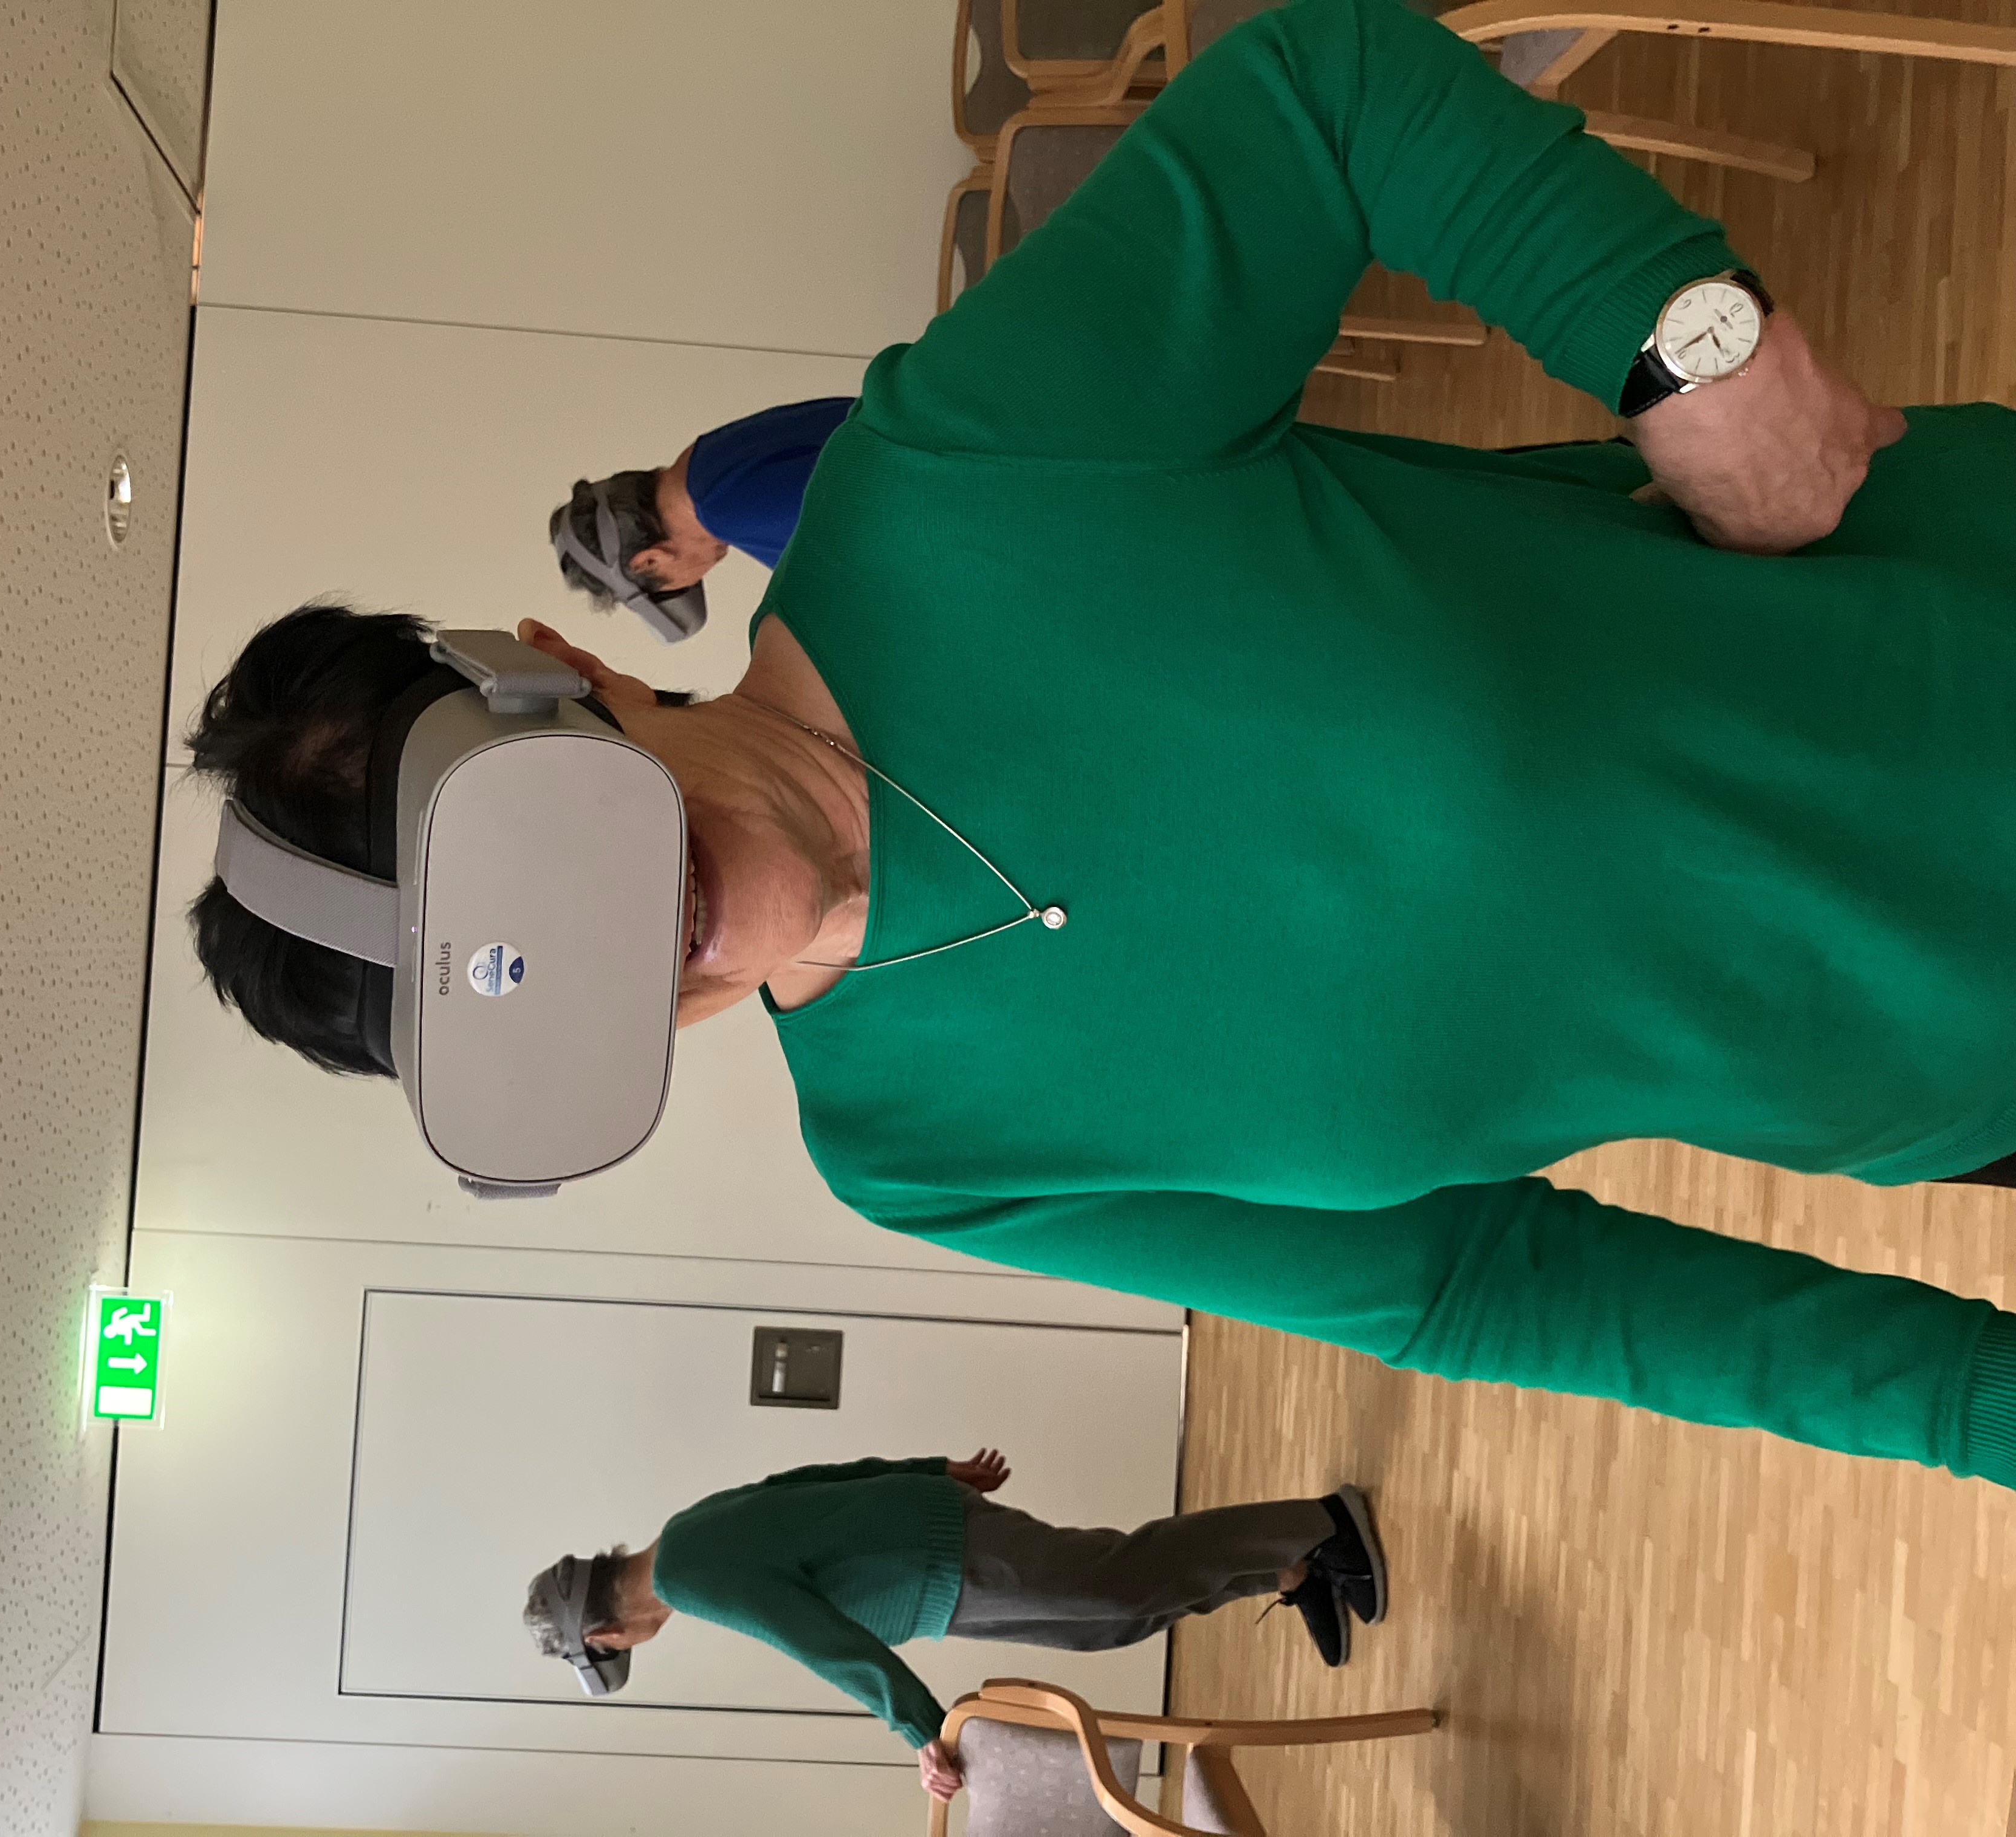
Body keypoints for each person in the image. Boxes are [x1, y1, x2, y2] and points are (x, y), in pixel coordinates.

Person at [185, 0, 2016, 1494]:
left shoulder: (955, 490)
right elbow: (1482, 1287)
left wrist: (1687, 351)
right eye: (551, 1007)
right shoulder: (919, 1149)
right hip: (1966, 1095)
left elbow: (1330, 96)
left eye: (549, 863)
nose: (630, 948)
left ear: (559, 670)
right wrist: (1973, 1411)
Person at [519, 1451, 1388, 1802]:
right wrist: (928, 1467)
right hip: (935, 1574)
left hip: (936, 1555)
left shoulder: (689, 1577)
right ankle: (1288, 1569)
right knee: (1108, 1625)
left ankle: (1320, 1525)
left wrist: (923, 1733)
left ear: (605, 1637)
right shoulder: (685, 1533)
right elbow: (805, 1482)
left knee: (1120, 1578)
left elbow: (824, 1644)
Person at [548, 397, 852, 640]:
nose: (692, 583)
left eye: (672, 589)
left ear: (650, 560)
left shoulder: (725, 509)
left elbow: (874, 533)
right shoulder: (709, 458)